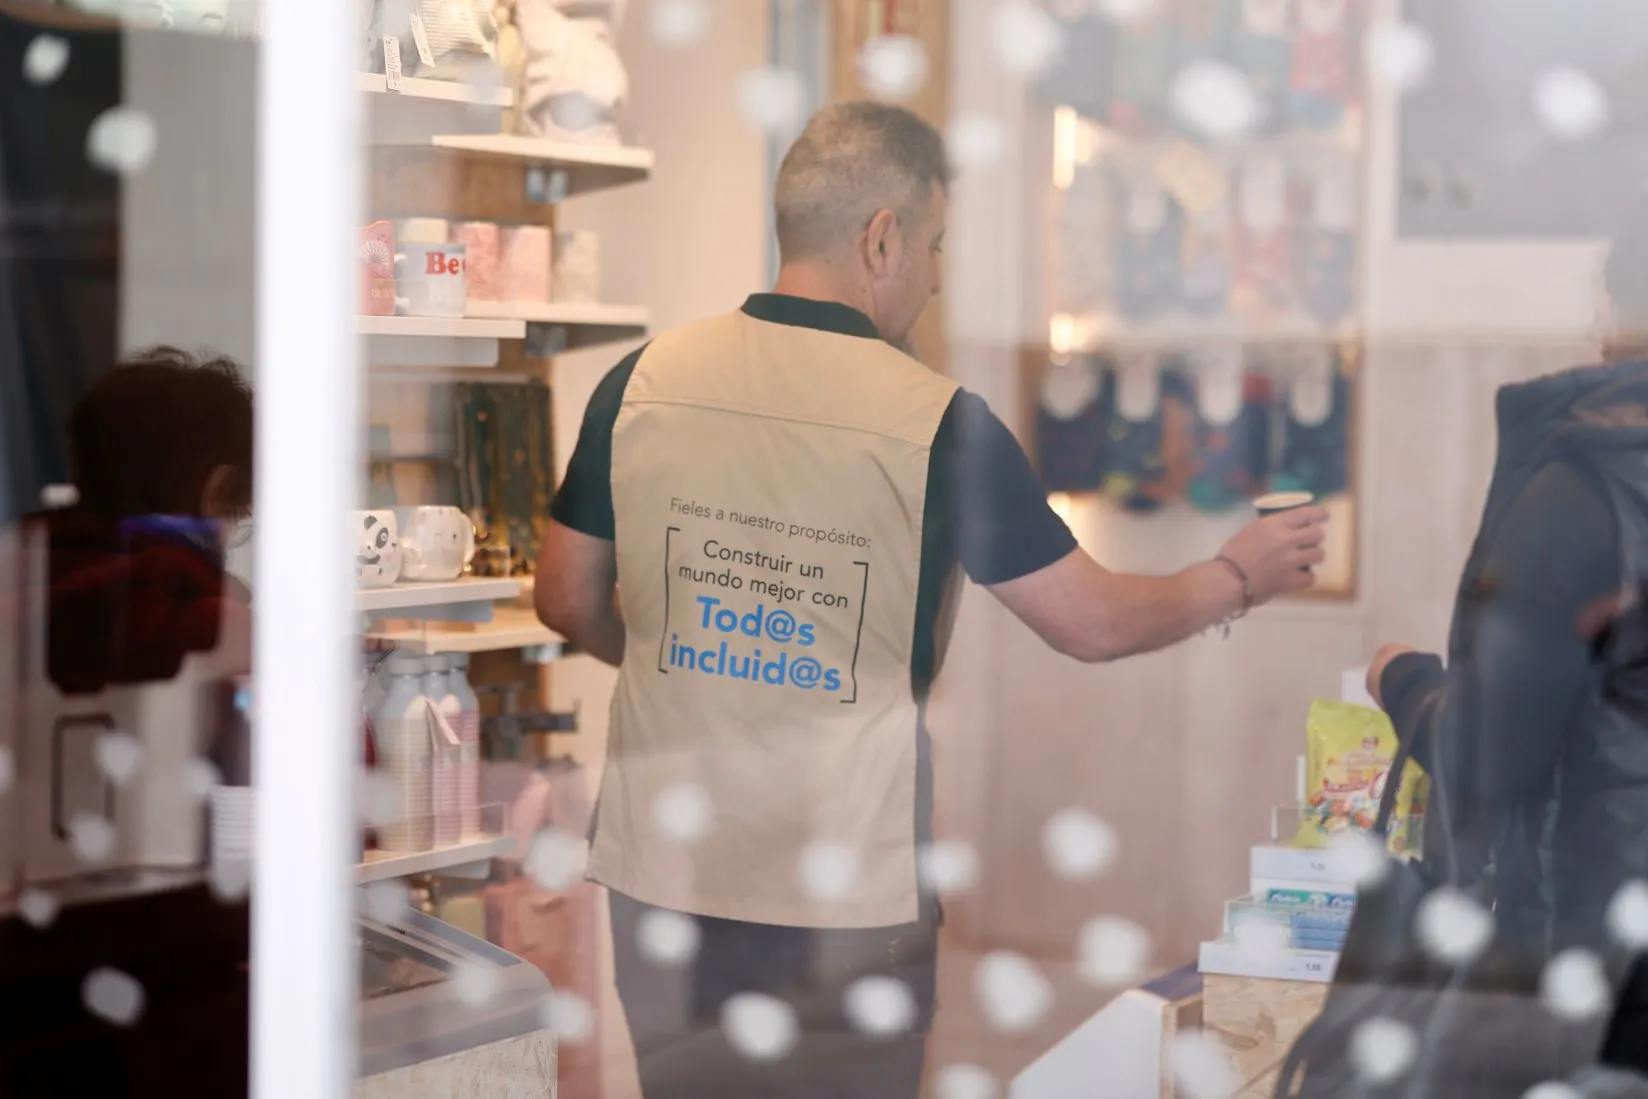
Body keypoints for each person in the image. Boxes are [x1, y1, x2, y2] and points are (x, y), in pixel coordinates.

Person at [535, 100, 1327, 1098]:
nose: (939, 273)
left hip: (662, 873)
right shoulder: (937, 425)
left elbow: (564, 596)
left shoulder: (639, 380)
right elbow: (1092, 620)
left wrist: (683, 649)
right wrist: (1236, 576)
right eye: (937, 243)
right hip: (841, 893)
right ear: (881, 238)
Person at [1365, 210, 1648, 1074]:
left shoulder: (1579, 492)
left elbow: (1489, 753)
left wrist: (1403, 679)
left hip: (1589, 969)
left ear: (1608, 310)